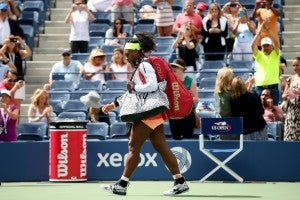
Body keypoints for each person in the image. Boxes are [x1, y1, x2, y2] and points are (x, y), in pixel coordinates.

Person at [101, 32, 189, 196]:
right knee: (161, 148)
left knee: (133, 147)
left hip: (148, 113)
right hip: (153, 113)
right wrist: (114, 104)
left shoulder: (144, 65)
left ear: (135, 52)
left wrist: (134, 87)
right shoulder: (141, 66)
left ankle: (122, 185)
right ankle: (180, 181)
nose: (126, 57)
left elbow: (151, 86)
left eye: (127, 53)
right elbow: (132, 93)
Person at [251, 20, 280, 105]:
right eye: (264, 45)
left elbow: (276, 42)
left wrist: (268, 29)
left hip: (273, 86)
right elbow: (253, 45)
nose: (265, 47)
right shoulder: (258, 55)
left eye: (268, 45)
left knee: (274, 110)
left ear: (272, 46)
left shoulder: (275, 54)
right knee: (259, 111)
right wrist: (259, 32)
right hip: (259, 87)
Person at [168, 58, 198, 139]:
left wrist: (183, 100)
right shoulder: (169, 81)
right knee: (175, 140)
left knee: (188, 139)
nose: (173, 68)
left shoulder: (189, 81)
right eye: (172, 67)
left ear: (182, 69)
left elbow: (196, 98)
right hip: (174, 115)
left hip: (188, 115)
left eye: (176, 67)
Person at [281, 57, 300, 141]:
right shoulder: (290, 79)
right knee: (290, 139)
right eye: (294, 65)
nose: (295, 67)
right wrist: (285, 96)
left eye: (297, 65)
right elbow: (283, 95)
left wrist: (297, 92)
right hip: (291, 113)